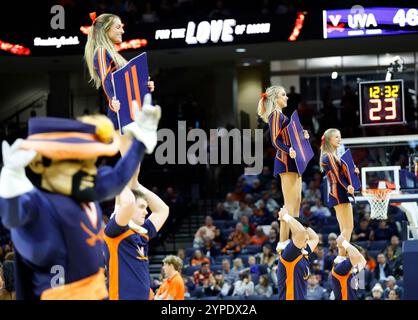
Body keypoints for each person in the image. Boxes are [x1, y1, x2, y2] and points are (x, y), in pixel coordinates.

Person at [0, 97, 160, 299]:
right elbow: (12, 217)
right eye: (76, 164)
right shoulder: (38, 201)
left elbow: (118, 177)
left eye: (90, 162)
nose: (89, 171)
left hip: (95, 291)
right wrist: (10, 179)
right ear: (39, 165)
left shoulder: (86, 187)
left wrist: (140, 143)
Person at [84, 12, 155, 190]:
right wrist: (112, 100)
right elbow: (107, 80)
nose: (123, 29)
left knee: (134, 168)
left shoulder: (112, 53)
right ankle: (122, 209)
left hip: (126, 111)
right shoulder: (101, 51)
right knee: (131, 167)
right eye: (118, 26)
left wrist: (146, 86)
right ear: (106, 30)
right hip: (119, 113)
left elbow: (127, 84)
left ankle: (124, 208)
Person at [257, 86, 310, 251]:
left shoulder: (282, 116)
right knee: (288, 204)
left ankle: (295, 238)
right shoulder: (275, 115)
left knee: (296, 202)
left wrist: (303, 136)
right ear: (275, 99)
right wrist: (289, 150)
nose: (287, 97)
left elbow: (290, 138)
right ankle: (282, 241)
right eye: (283, 95)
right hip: (285, 160)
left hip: (294, 160)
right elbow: (275, 140)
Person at [103, 182, 169, 300]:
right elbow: (126, 203)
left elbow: (163, 210)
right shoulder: (116, 231)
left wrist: (136, 184)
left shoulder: (142, 233)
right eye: (142, 207)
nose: (146, 212)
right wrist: (124, 177)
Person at [320, 128, 359, 262]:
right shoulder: (329, 156)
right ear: (329, 140)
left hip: (337, 192)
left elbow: (342, 173)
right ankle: (341, 256)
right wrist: (348, 186)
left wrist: (353, 173)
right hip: (338, 191)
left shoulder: (332, 155)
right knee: (348, 227)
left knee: (344, 228)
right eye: (336, 137)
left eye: (340, 137)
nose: (339, 139)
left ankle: (342, 254)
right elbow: (337, 175)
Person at [276, 207, 319, 300]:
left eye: (307, 233)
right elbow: (300, 232)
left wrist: (300, 223)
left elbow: (315, 238)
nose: (307, 237)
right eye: (305, 234)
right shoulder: (290, 252)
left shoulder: (304, 251)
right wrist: (286, 216)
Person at [330, 235, 367, 300]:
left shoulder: (353, 269)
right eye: (358, 255)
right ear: (348, 254)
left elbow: (363, 261)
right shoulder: (340, 267)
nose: (359, 258)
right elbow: (356, 257)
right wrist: (344, 242)